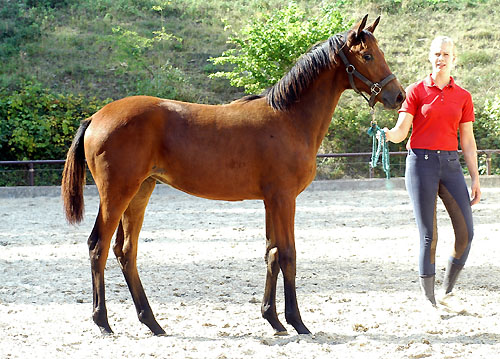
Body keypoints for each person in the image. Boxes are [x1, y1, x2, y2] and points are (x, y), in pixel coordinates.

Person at [383, 36, 481, 306]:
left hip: (450, 165)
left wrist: (475, 177)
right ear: (430, 57)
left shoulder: (463, 97)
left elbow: (468, 141)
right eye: (437, 54)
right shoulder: (416, 91)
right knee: (430, 234)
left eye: (446, 54)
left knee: (466, 233)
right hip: (420, 164)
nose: (441, 58)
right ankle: (430, 299)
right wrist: (388, 134)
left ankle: (448, 290)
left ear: (454, 59)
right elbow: (403, 130)